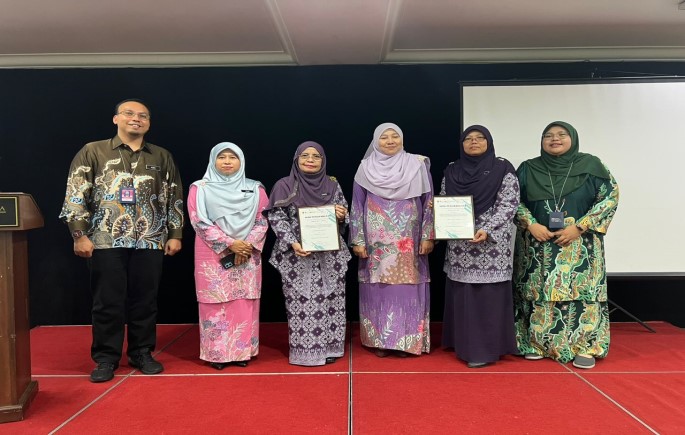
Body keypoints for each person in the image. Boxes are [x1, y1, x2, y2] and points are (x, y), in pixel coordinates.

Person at [59, 99, 184, 382]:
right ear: (116, 118)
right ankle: (106, 358)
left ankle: (142, 352)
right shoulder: (93, 151)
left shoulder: (161, 156)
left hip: (150, 239)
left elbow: (174, 195)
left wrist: (175, 233)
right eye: (129, 113)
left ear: (149, 123)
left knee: (146, 301)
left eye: (143, 115)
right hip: (105, 238)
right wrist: (79, 234)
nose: (136, 119)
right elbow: (76, 193)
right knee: (107, 302)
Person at [514, 121, 619, 369]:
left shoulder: (592, 165)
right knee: (538, 292)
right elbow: (511, 199)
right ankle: (536, 344)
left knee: (583, 293)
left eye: (562, 134)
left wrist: (580, 226)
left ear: (573, 138)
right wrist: (530, 224)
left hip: (581, 244)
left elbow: (610, 197)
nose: (555, 139)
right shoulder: (528, 168)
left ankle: (586, 347)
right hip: (538, 245)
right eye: (548, 135)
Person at [350, 123, 434, 357]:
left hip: (409, 241)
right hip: (375, 245)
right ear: (375, 141)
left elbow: (429, 202)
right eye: (384, 137)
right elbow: (357, 205)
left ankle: (406, 342)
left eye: (394, 136)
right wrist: (358, 239)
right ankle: (380, 341)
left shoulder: (417, 164)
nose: (389, 141)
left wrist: (428, 236)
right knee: (378, 289)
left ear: (402, 139)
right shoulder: (365, 167)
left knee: (407, 289)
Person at [440, 125, 520, 368]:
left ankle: (486, 350)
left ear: (489, 142)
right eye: (468, 139)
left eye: (480, 138)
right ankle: (462, 344)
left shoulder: (502, 169)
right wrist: (444, 221)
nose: (473, 142)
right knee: (463, 295)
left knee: (488, 298)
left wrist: (488, 229)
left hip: (491, 247)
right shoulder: (452, 170)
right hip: (460, 245)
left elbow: (509, 204)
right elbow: (445, 200)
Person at [266, 141, 351, 366]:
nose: (310, 160)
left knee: (332, 301)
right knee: (303, 304)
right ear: (296, 159)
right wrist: (292, 242)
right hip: (297, 255)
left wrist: (341, 215)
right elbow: (276, 217)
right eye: (305, 156)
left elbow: (344, 213)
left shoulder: (332, 184)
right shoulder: (284, 185)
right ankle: (306, 352)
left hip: (330, 256)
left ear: (323, 160)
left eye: (316, 156)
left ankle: (331, 347)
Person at [188, 143, 268, 370]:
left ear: (241, 161)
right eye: (221, 157)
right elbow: (198, 220)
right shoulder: (200, 188)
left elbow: (263, 220)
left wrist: (246, 246)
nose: (227, 161)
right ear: (213, 160)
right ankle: (217, 354)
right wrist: (231, 244)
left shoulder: (255, 188)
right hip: (212, 254)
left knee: (243, 301)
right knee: (214, 302)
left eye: (233, 157)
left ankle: (242, 351)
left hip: (247, 254)